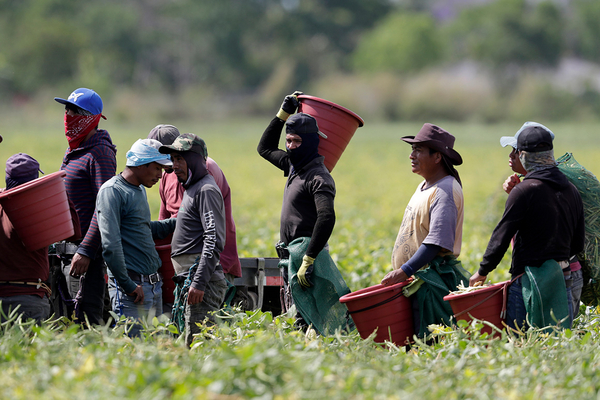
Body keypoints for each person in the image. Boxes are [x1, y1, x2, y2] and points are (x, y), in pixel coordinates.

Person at [470, 125, 585, 330]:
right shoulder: (571, 190)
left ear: (523, 155)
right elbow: (577, 243)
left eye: (515, 151)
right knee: (558, 343)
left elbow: (501, 235)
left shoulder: (524, 191)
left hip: (528, 282)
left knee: (525, 342)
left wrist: (483, 270)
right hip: (562, 280)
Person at [381, 123, 467, 338]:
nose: (412, 155)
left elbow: (436, 241)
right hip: (415, 282)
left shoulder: (445, 190)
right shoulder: (426, 186)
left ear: (437, 157)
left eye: (418, 150)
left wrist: (405, 270)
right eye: (412, 149)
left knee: (430, 344)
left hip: (430, 284)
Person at [257, 92, 336, 318]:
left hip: (308, 256)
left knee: (308, 317)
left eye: (297, 141)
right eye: (288, 140)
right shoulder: (293, 167)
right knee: (292, 313)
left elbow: (326, 217)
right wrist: (283, 114)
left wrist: (309, 259)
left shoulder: (318, 177)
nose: (291, 146)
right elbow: (265, 148)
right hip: (292, 255)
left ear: (310, 142)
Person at [499, 121, 584, 321]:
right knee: (556, 337)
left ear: (527, 154)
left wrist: (483, 270)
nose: (511, 156)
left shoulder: (552, 187)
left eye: (516, 150)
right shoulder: (531, 187)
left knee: (541, 337)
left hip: (554, 275)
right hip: (561, 273)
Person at [96, 139, 176, 334]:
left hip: (152, 286)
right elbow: (110, 246)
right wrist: (128, 285)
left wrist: (179, 220)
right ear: (142, 164)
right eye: (157, 168)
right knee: (133, 351)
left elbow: (142, 230)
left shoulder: (139, 189)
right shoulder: (113, 191)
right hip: (133, 290)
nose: (160, 175)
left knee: (154, 350)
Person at [53, 88, 117, 325]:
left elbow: (105, 207)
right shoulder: (74, 151)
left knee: (87, 320)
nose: (69, 115)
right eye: (67, 109)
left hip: (88, 255)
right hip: (70, 251)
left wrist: (87, 250)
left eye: (76, 111)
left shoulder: (100, 153)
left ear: (92, 118)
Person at [147, 124, 242, 283]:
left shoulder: (202, 171)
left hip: (210, 266)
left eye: (176, 157)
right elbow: (164, 219)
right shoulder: (166, 176)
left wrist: (142, 227)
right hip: (185, 265)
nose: (162, 165)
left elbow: (205, 229)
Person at [158, 134, 228, 347]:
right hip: (189, 279)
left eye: (180, 159)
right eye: (173, 159)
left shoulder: (206, 190)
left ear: (196, 159)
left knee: (199, 345)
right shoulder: (192, 188)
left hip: (200, 282)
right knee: (191, 342)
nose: (174, 165)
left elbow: (213, 238)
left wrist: (198, 282)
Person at [1, 154, 81, 323]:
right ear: (35, 179)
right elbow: (75, 233)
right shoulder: (38, 209)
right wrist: (61, 193)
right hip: (28, 298)